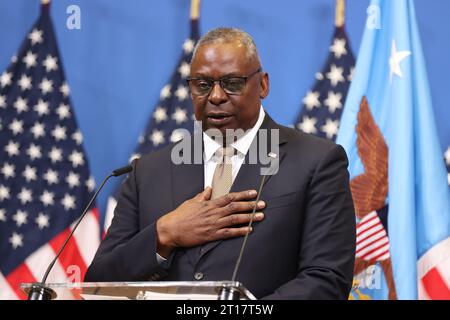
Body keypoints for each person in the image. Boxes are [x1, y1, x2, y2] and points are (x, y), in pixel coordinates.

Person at [85, 28, 356, 299]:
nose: (215, 96)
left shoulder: (317, 161)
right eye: (202, 84)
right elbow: (99, 282)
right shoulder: (147, 171)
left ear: (263, 84)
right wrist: (164, 233)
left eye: (232, 82)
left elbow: (326, 280)